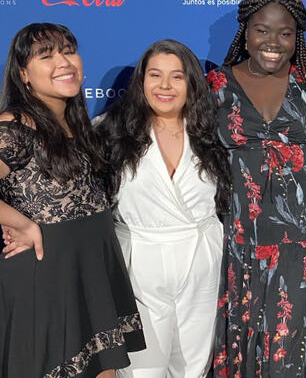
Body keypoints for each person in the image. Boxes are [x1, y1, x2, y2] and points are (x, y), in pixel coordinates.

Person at [206, 0, 306, 377]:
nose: (273, 42)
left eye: (285, 33)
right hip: (245, 231)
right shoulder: (215, 86)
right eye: (261, 31)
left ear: (297, 37)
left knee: (301, 321)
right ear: (245, 33)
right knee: (250, 317)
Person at [0, 23, 145, 378]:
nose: (63, 61)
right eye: (46, 55)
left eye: (68, 51)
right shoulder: (14, 126)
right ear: (24, 75)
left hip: (92, 273)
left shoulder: (79, 126)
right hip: (44, 279)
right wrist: (22, 223)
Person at [95, 39, 231, 378]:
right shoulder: (108, 133)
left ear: (192, 84)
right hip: (137, 265)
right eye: (155, 75)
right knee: (142, 368)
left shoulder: (216, 135)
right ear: (141, 82)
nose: (165, 86)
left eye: (177, 77)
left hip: (202, 262)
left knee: (192, 367)